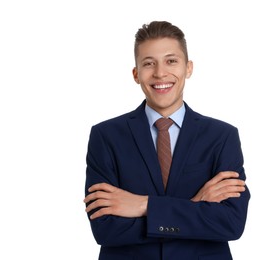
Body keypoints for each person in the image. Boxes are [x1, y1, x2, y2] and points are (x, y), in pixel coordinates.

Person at [83, 21, 250, 260]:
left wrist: (144, 205)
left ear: (188, 68)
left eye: (171, 61)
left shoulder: (222, 136)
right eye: (149, 63)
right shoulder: (106, 136)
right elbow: (105, 229)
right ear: (136, 74)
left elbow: (230, 223)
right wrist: (194, 205)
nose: (160, 73)